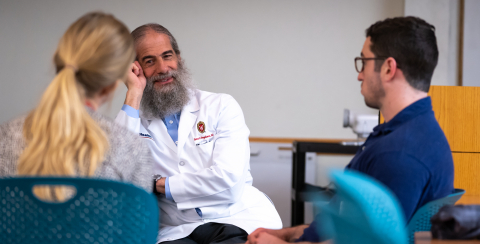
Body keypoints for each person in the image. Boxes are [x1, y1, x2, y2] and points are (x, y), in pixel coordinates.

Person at [246, 16, 454, 244]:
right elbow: (348, 228)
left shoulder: (401, 154)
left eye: (363, 62)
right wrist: (284, 235)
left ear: (388, 68)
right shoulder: (409, 135)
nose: (359, 74)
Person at [115, 23, 282, 243]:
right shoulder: (133, 119)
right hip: (177, 229)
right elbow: (117, 176)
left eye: (167, 56)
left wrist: (160, 185)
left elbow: (229, 181)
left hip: (235, 219)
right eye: (149, 61)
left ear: (179, 58)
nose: (163, 68)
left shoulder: (221, 106)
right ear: (134, 67)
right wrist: (133, 92)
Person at [0, 12, 152, 199]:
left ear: (59, 60)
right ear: (112, 83)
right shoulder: (131, 150)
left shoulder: (5, 136)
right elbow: (138, 226)